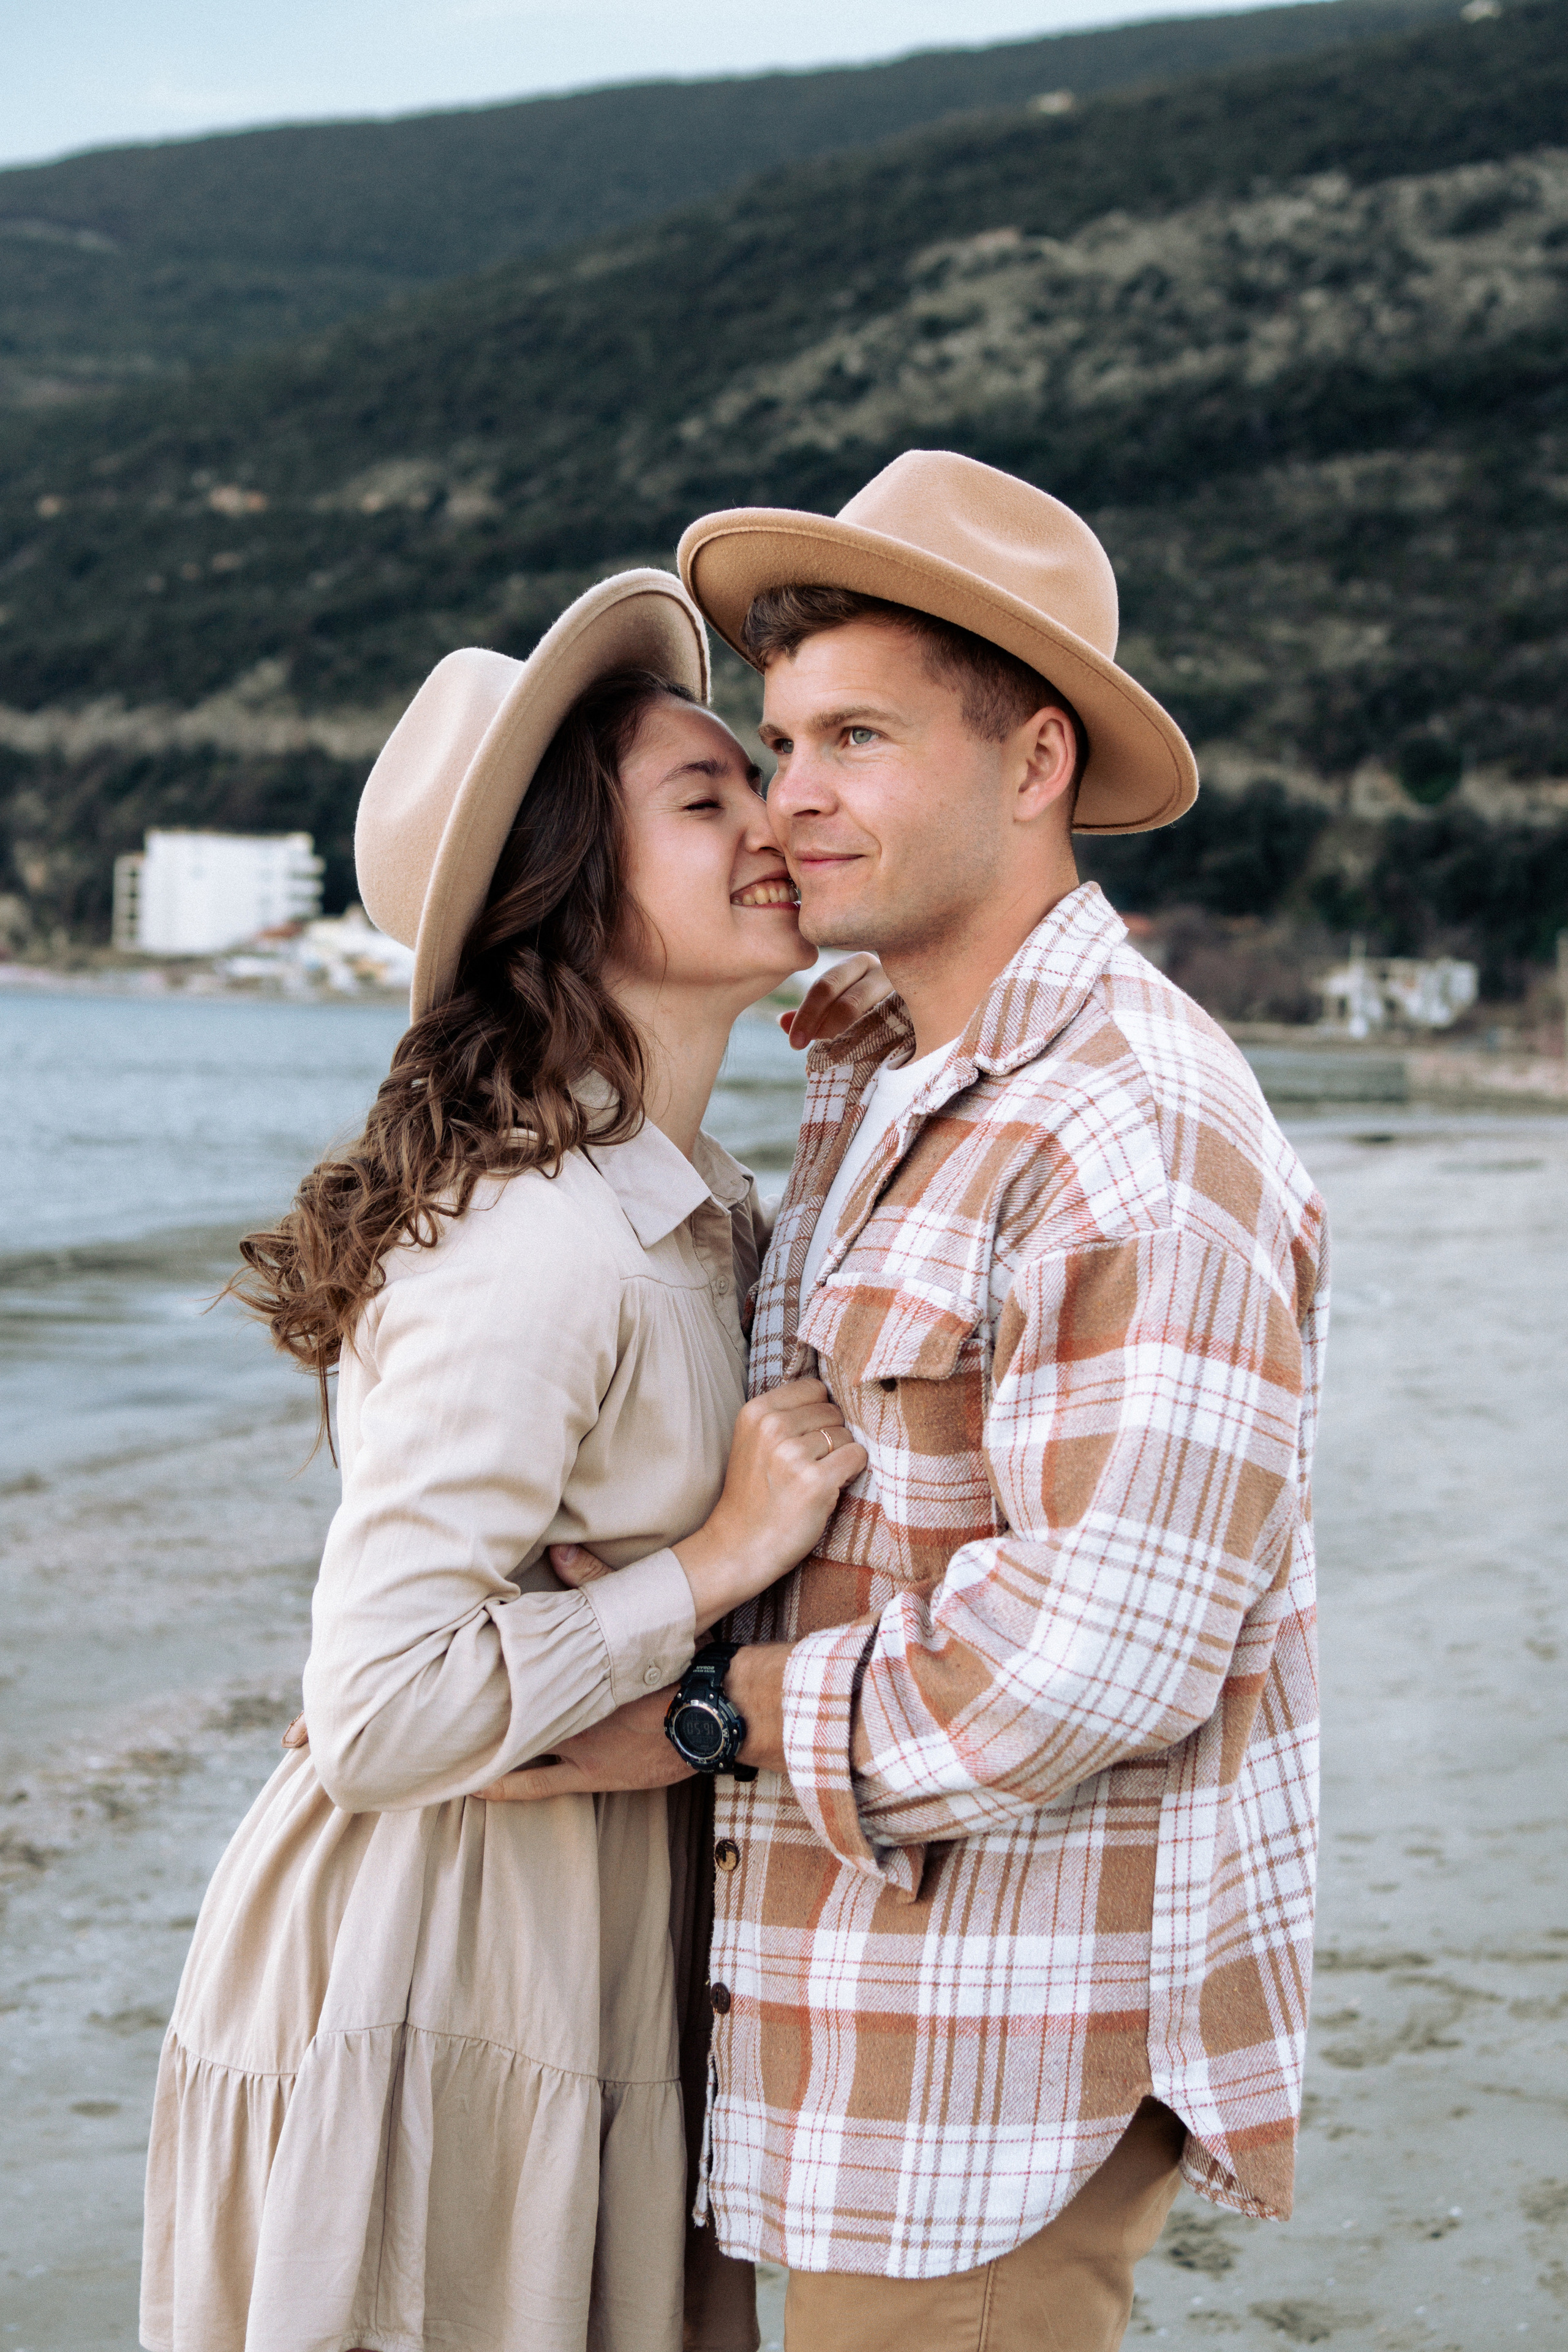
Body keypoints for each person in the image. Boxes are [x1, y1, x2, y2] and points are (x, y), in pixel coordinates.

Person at [499, 455, 1329, 2352]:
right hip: (852, 2014)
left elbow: (1094, 1657)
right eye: (781, 742)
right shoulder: (880, 1070)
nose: (796, 801)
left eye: (857, 738)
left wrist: (690, 1719)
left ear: (1036, 762)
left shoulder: (1135, 1128)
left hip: (994, 2048)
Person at [137, 568, 886, 2352]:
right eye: (705, 799)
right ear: (567, 895)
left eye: (754, 777)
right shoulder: (538, 1239)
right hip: (435, 1973)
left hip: (573, 1950)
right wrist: (708, 1564)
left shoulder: (699, 1215)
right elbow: (381, 1701)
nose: (774, 818)